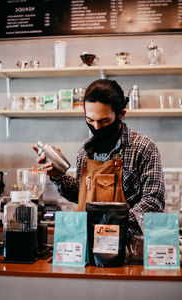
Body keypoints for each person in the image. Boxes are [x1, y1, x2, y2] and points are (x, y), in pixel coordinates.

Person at [37, 79, 165, 242]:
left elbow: (153, 202)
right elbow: (81, 194)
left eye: (104, 121)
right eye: (90, 120)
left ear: (121, 114)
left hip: (128, 249)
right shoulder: (84, 151)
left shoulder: (143, 148)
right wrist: (57, 176)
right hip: (88, 246)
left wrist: (109, 226)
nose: (96, 127)